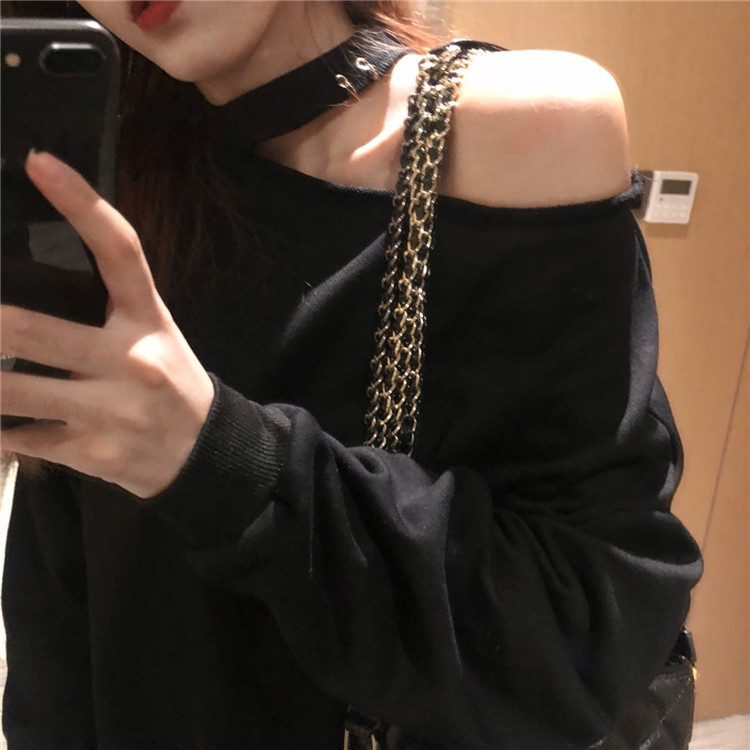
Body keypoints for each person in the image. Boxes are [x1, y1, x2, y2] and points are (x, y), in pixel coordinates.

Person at [0, 1, 703, 749]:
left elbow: (577, 636)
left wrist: (218, 457)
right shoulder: (115, 164)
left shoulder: (512, 128)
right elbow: (60, 584)